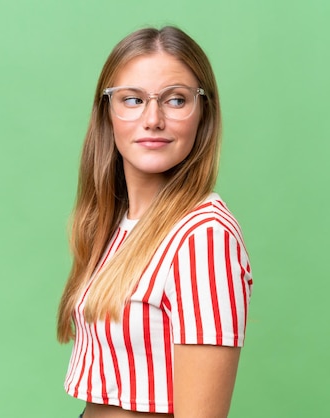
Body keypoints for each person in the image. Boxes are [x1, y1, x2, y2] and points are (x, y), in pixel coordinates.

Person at [57, 26, 253, 418]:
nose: (153, 119)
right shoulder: (113, 226)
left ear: (203, 113)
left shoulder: (204, 237)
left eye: (176, 100)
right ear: (107, 112)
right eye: (132, 99)